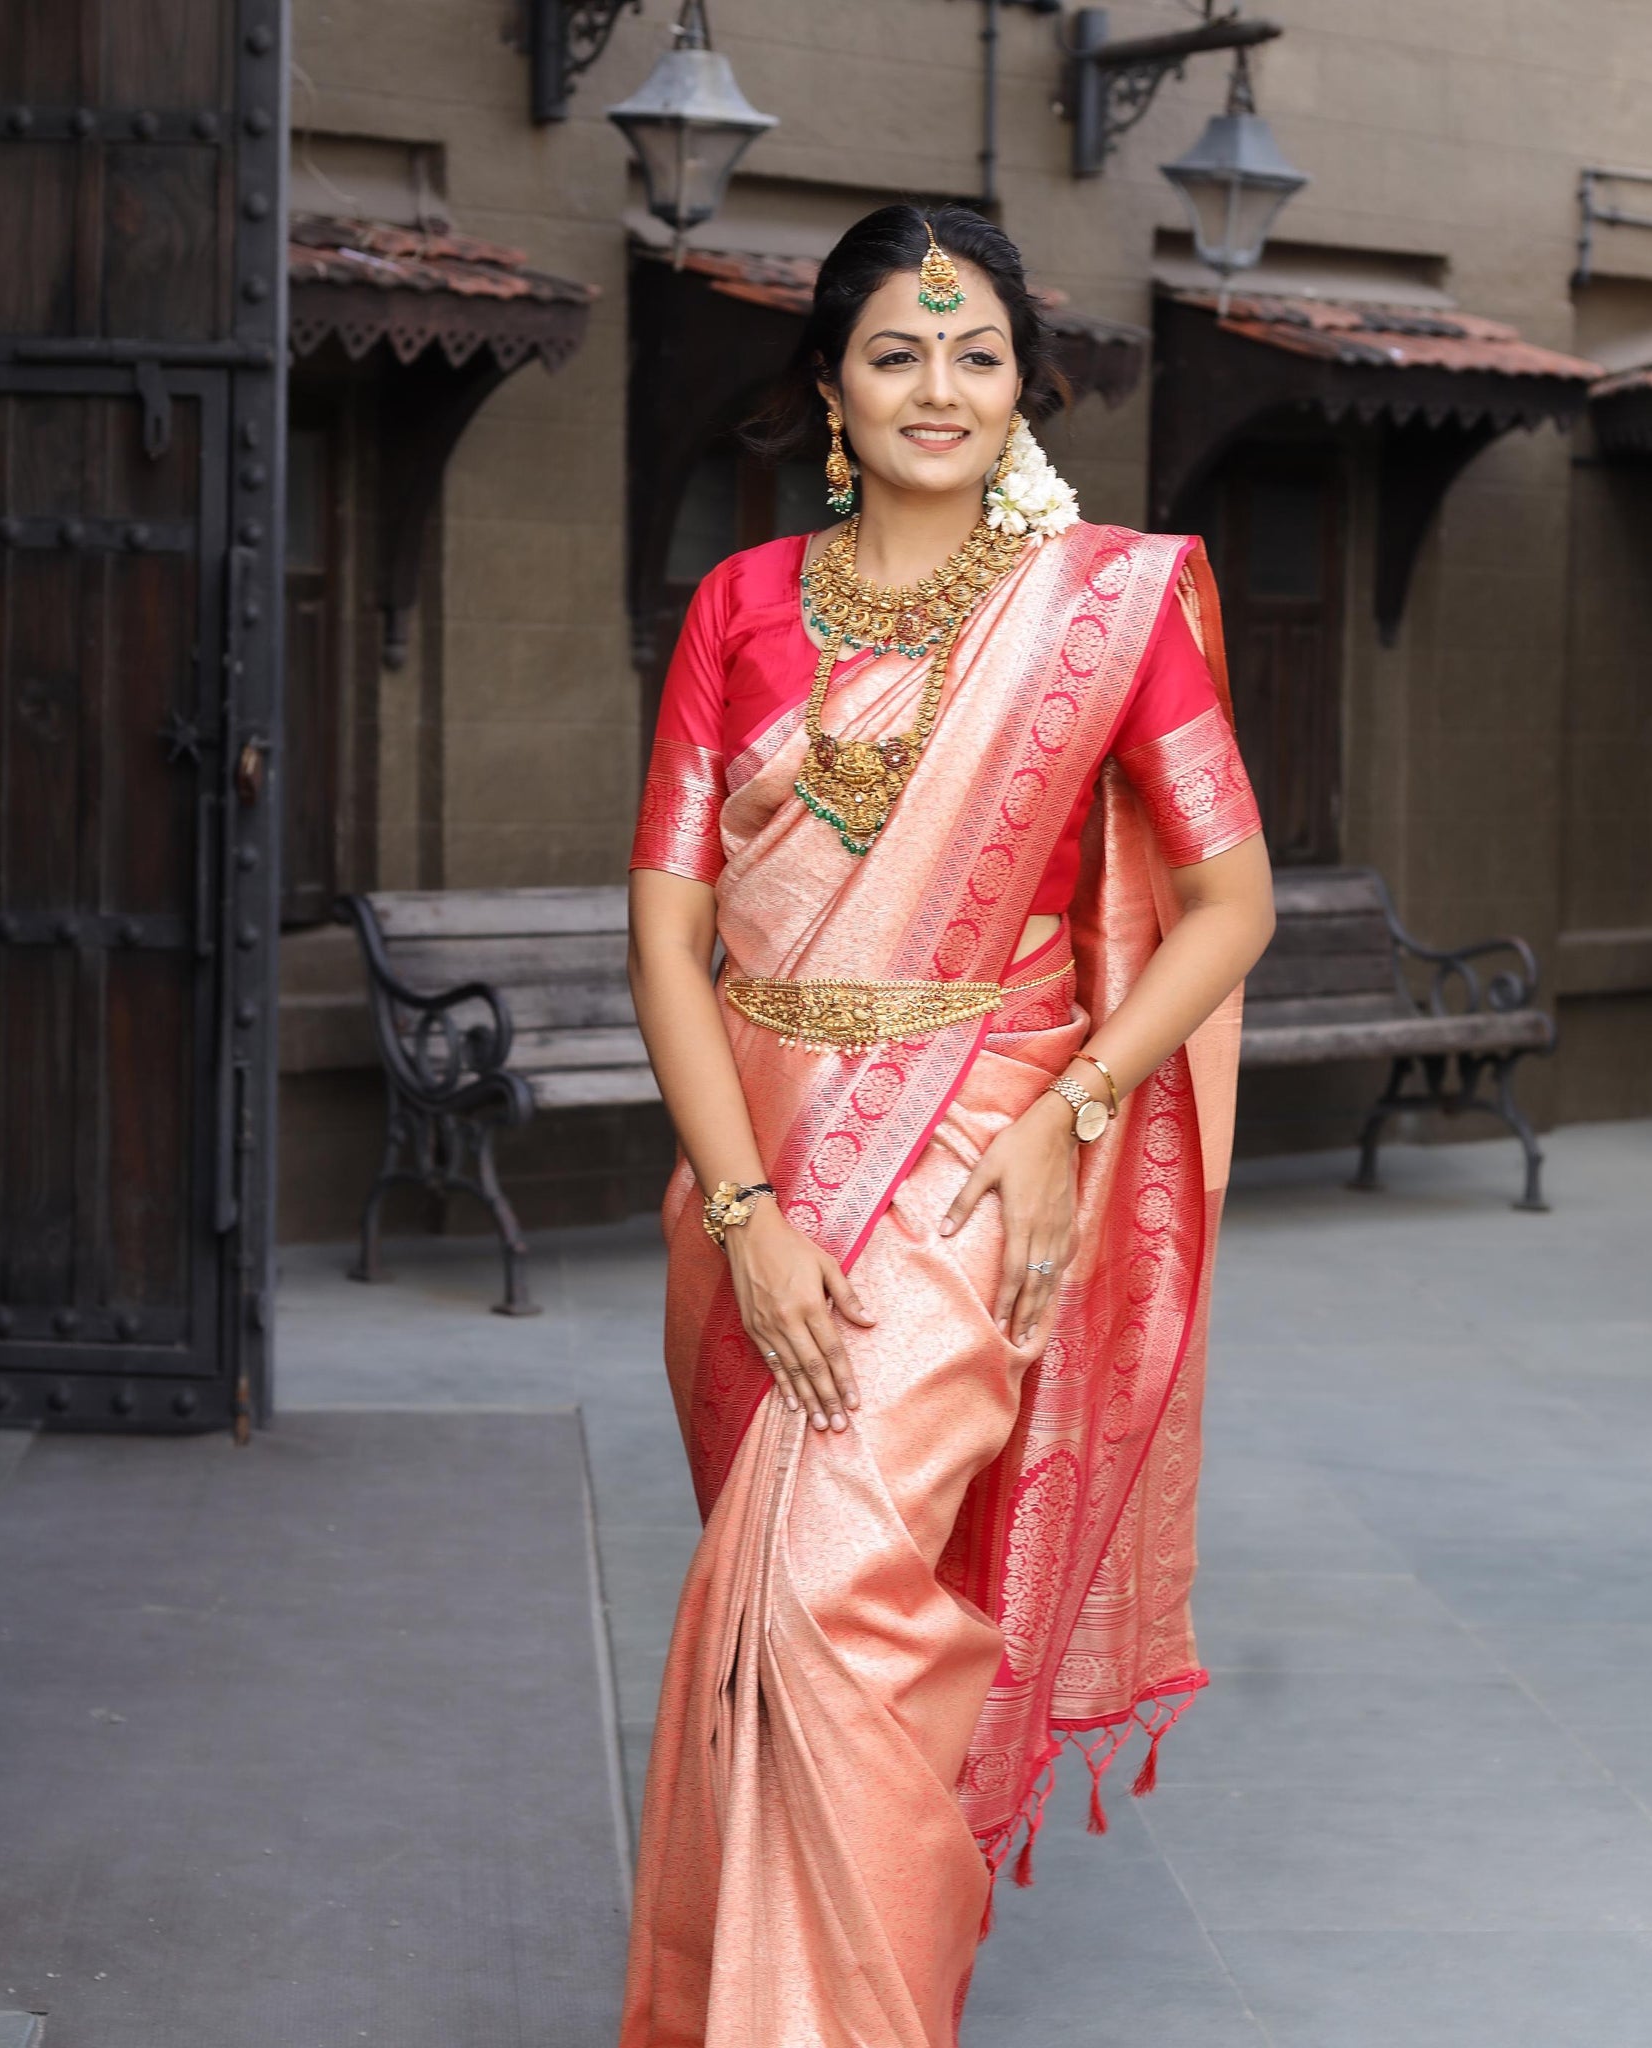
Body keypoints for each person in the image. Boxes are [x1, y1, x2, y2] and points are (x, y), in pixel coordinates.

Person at [620, 202, 1274, 2048]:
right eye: (898, 352)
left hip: (981, 1146)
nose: (939, 386)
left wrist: (1078, 1103)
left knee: (831, 1600)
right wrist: (746, 1207)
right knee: (804, 1628)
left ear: (1023, 386)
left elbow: (1233, 903)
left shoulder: (1108, 612)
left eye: (976, 353)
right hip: (754, 1167)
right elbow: (666, 933)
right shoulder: (741, 606)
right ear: (830, 385)